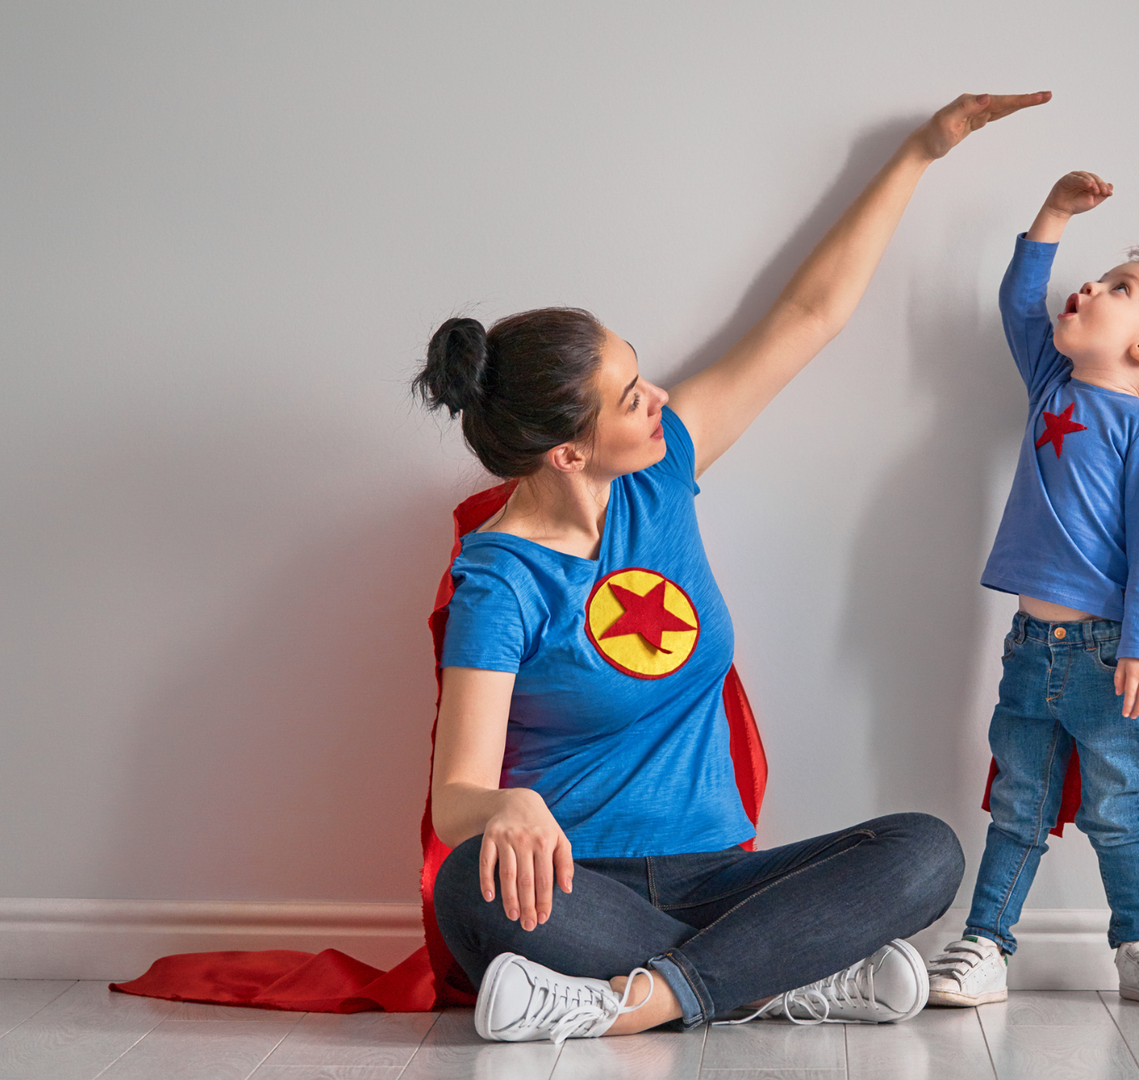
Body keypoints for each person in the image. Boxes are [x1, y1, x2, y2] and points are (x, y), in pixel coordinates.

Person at [414, 91, 1050, 1043]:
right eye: (632, 397)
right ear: (568, 453)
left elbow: (810, 312)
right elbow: (454, 798)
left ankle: (646, 999)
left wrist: (924, 149)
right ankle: (780, 974)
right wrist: (504, 804)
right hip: (580, 885)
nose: (658, 398)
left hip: (723, 873)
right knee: (473, 892)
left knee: (925, 852)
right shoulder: (499, 581)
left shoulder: (659, 474)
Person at [924, 172, 1139, 1009]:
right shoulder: (1051, 383)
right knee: (1017, 805)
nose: (1087, 288)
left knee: (1119, 811)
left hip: (1106, 658)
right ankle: (984, 945)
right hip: (1029, 650)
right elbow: (1021, 303)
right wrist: (1052, 216)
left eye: (1119, 289)